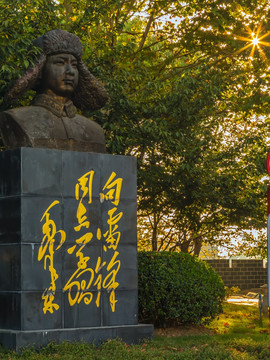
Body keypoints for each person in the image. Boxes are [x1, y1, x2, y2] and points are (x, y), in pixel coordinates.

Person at [0, 29, 108, 153]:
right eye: (60, 63)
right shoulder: (18, 119)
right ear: (40, 70)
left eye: (74, 65)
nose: (70, 71)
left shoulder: (94, 131)